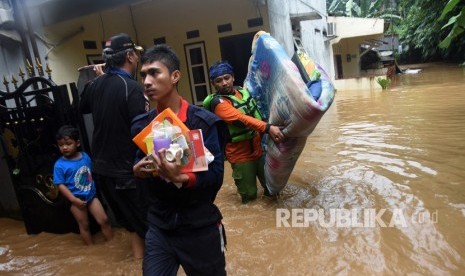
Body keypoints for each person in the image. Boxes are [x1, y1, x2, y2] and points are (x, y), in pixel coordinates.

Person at [132, 44, 227, 275]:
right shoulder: (142, 125)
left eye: (154, 73)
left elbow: (216, 176)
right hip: (160, 226)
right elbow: (138, 165)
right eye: (143, 75)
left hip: (200, 226)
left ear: (175, 76)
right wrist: (137, 171)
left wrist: (183, 178)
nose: (146, 81)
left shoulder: (203, 123)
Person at [79, 33, 149, 258]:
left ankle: (137, 263)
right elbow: (142, 133)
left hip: (103, 172)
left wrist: (98, 79)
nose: (138, 59)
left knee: (132, 225)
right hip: (127, 172)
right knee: (150, 227)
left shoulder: (96, 84)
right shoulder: (132, 88)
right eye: (136, 55)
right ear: (129, 56)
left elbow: (81, 107)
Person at [203, 61, 284, 204]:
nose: (224, 83)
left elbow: (258, 112)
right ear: (214, 84)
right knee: (250, 196)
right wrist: (268, 128)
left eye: (227, 78)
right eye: (218, 81)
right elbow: (241, 119)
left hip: (258, 149)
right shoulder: (218, 104)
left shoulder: (243, 91)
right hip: (240, 154)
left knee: (273, 189)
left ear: (233, 77)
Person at [53, 125, 113, 245]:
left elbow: (90, 172)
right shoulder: (59, 165)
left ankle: (112, 244)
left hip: (91, 196)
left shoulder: (85, 157)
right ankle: (91, 250)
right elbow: (60, 185)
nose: (64, 147)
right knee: (84, 225)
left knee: (104, 220)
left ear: (77, 143)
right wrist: (74, 200)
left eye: (68, 143)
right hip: (75, 199)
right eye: (61, 145)